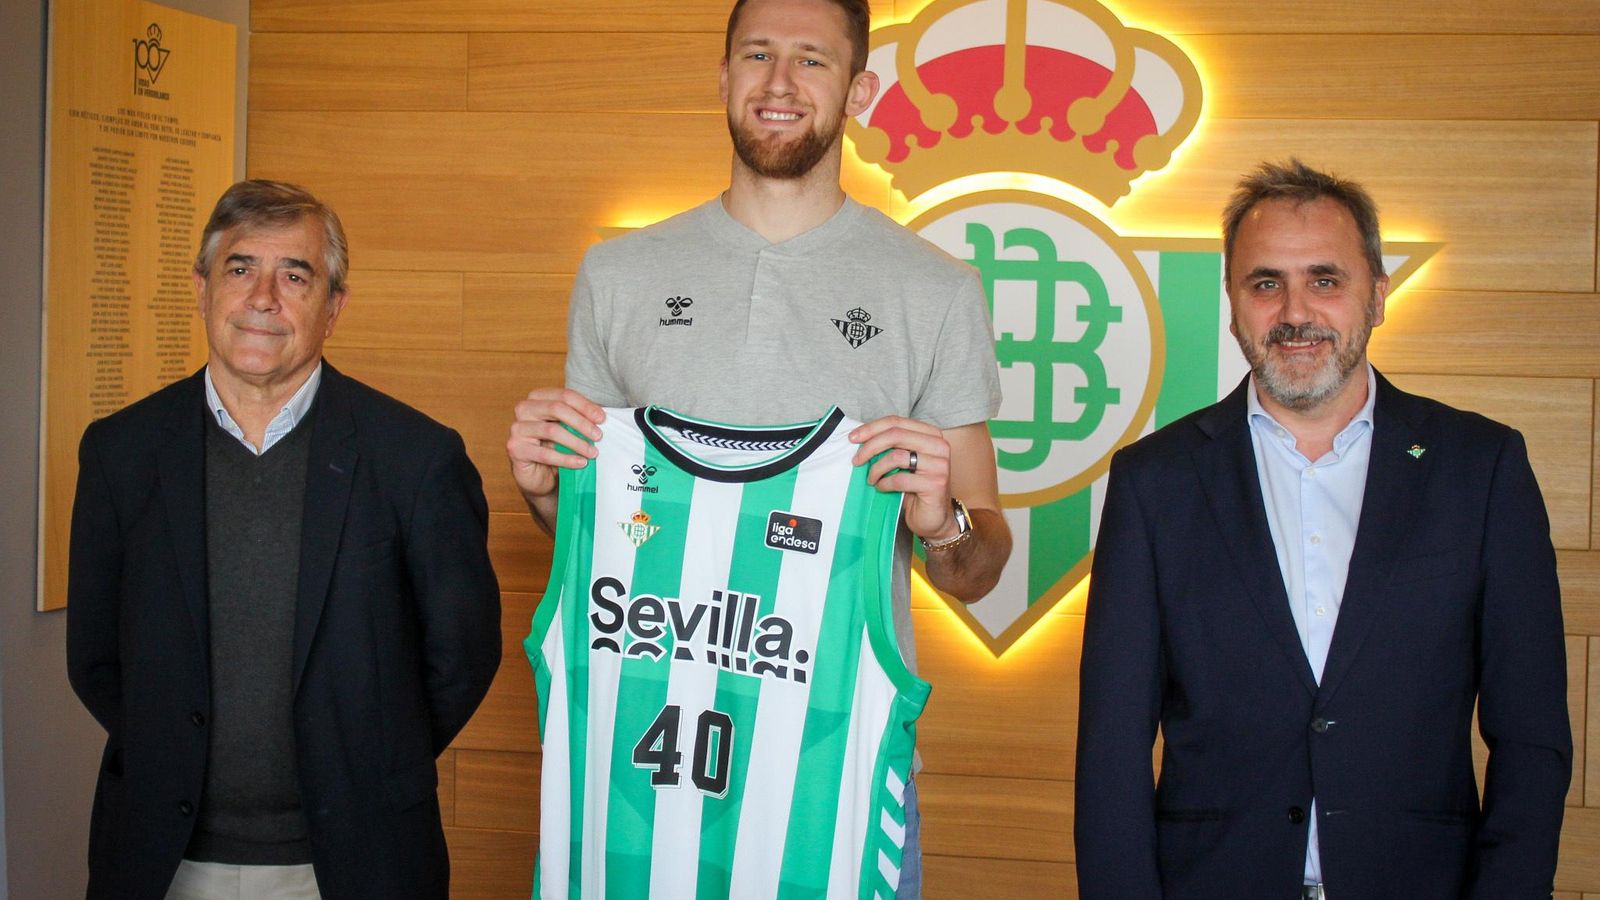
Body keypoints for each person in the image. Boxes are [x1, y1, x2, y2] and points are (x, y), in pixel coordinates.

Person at [505, 0, 1010, 894]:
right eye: (757, 55)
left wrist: (942, 525)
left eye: (812, 60)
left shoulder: (935, 290)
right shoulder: (618, 275)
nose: (780, 83)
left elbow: (981, 567)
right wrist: (547, 491)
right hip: (636, 773)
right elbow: (610, 532)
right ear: (723, 75)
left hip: (830, 779)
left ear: (859, 89)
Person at [1073, 159, 1571, 898]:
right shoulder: (1155, 481)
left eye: (1325, 280)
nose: (1295, 313)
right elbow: (1111, 749)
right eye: (1265, 283)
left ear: (1378, 295)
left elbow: (1531, 735)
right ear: (1233, 303)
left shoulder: (1481, 468)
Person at [67, 179, 502, 900]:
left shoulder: (416, 459)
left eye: (294, 276)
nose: (263, 297)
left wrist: (368, 766)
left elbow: (462, 655)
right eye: (240, 268)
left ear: (334, 306)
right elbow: (95, 658)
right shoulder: (121, 452)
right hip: (162, 858)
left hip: (354, 860)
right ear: (202, 289)